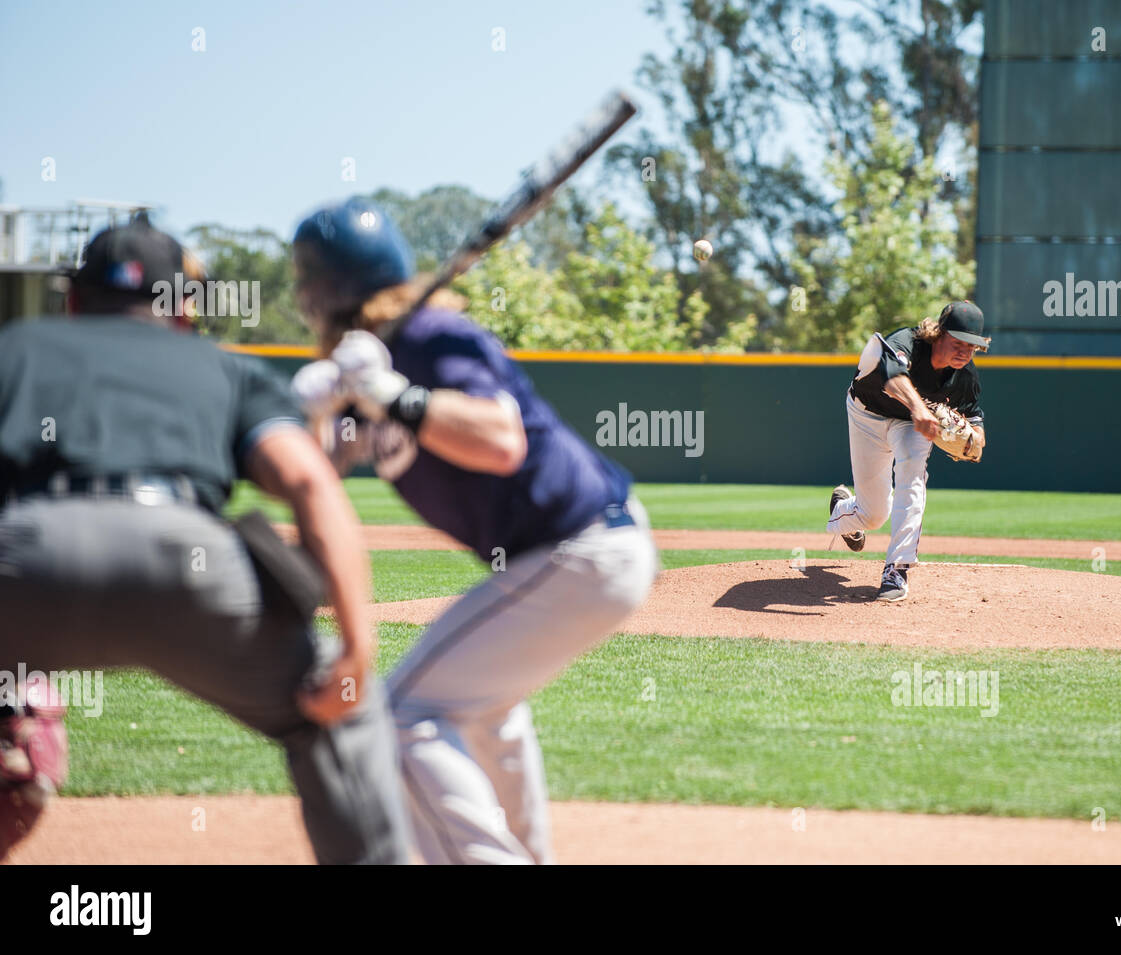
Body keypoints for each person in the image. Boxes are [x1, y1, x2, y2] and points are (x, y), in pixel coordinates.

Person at [0, 216, 410, 863]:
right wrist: (356, 650)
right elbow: (309, 483)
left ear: (74, 301)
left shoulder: (17, 349)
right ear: (183, 309)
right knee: (335, 710)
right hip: (187, 563)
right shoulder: (222, 368)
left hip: (24, 560)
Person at [289, 197, 658, 864]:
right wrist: (316, 406)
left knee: (402, 715)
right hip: (568, 556)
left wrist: (391, 391)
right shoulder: (375, 361)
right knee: (485, 711)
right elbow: (316, 474)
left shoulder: (429, 338)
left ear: (318, 291)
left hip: (581, 544)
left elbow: (501, 440)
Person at [826, 301, 989, 602]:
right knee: (873, 515)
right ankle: (843, 511)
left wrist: (972, 442)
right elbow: (891, 376)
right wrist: (918, 409)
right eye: (958, 343)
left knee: (913, 476)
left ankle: (896, 570)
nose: (965, 352)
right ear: (938, 333)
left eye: (973, 346)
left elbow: (978, 430)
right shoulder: (907, 342)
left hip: (910, 427)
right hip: (867, 413)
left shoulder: (965, 377)